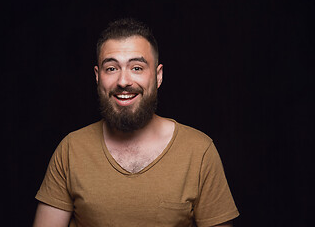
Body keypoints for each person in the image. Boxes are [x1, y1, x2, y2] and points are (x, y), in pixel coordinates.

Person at [33, 18, 239, 227]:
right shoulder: (71, 150)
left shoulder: (198, 151)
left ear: (158, 76)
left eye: (137, 68)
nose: (123, 81)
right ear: (97, 77)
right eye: (111, 69)